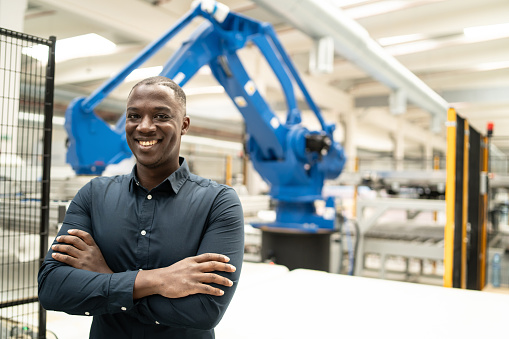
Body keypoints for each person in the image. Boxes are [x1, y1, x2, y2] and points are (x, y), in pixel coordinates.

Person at [38, 76, 245, 339]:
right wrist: (156, 280)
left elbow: (203, 311)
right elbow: (52, 289)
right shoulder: (94, 195)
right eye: (134, 116)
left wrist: (105, 278)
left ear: (184, 125)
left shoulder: (218, 203)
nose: (145, 127)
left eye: (160, 116)